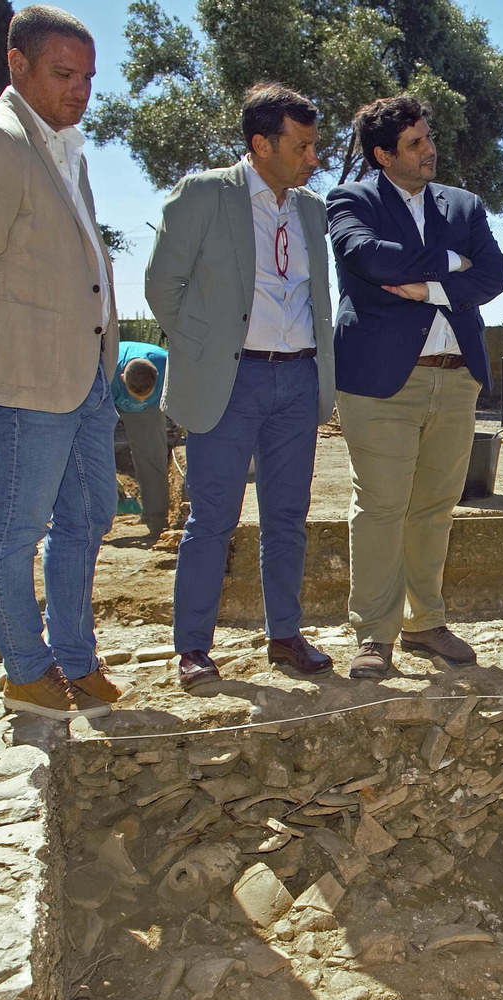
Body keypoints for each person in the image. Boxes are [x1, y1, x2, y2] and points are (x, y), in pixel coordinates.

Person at [0, 5, 122, 721]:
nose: (80, 91)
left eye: (88, 77)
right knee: (15, 528)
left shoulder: (70, 149)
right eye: (64, 74)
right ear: (18, 63)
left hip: (87, 375)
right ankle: (26, 670)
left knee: (90, 515)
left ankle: (76, 657)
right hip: (24, 374)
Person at [145, 83, 339, 688]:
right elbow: (162, 286)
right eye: (302, 146)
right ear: (261, 144)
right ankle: (193, 647)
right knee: (212, 518)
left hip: (298, 379)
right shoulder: (204, 193)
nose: (314, 158)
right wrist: (203, 351)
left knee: (288, 517)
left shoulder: (310, 210)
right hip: (230, 381)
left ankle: (285, 635)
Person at [326, 96, 503, 678]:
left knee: (434, 508)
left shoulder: (464, 204)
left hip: (456, 379)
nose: (430, 149)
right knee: (381, 507)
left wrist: (429, 288)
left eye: (429, 137)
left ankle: (425, 622)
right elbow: (367, 257)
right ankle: (374, 635)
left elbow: (496, 274)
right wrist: (452, 263)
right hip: (381, 382)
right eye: (415, 143)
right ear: (383, 155)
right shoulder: (351, 200)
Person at [111, 339, 170, 534]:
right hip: (107, 401)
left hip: (149, 410)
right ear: (122, 377)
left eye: (146, 395)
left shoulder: (167, 363)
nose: (141, 399)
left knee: (152, 457)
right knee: (94, 456)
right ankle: (96, 522)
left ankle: (157, 519)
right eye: (136, 396)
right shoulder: (107, 367)